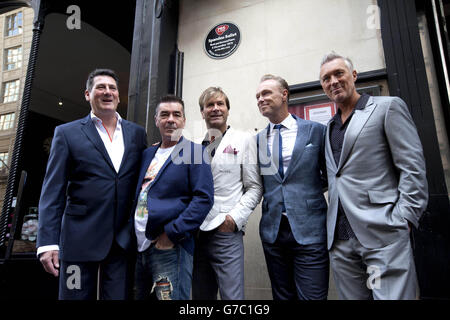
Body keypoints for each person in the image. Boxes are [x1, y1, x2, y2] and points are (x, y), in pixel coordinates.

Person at [319, 52, 428, 299]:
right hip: (340, 238)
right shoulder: (329, 127)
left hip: (383, 230)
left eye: (339, 74)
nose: (333, 81)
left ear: (354, 75)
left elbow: (412, 166)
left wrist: (405, 217)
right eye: (326, 78)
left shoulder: (387, 108)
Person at [37, 69, 147, 300]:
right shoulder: (66, 134)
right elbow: (52, 191)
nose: (107, 92)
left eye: (112, 88)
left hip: (121, 242)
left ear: (118, 95)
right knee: (73, 295)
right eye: (100, 87)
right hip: (78, 240)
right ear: (88, 94)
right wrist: (47, 242)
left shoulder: (137, 134)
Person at [255, 74, 329, 300]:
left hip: (310, 229)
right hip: (273, 232)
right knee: (282, 297)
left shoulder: (315, 131)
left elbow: (330, 175)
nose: (260, 99)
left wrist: (305, 196)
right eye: (257, 96)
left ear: (284, 94)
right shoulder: (257, 140)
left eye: (266, 93)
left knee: (312, 297)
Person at [133, 95, 214, 300]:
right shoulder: (147, 154)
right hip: (139, 247)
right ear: (156, 120)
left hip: (170, 248)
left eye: (176, 115)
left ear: (184, 121)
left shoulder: (196, 152)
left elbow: (203, 199)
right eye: (164, 114)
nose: (170, 119)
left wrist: (171, 233)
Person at [192, 87, 263, 300]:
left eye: (220, 104)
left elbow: (254, 187)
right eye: (209, 105)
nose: (215, 109)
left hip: (225, 233)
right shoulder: (195, 147)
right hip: (196, 234)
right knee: (201, 297)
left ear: (227, 110)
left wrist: (232, 220)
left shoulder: (244, 140)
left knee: (232, 298)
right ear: (202, 112)